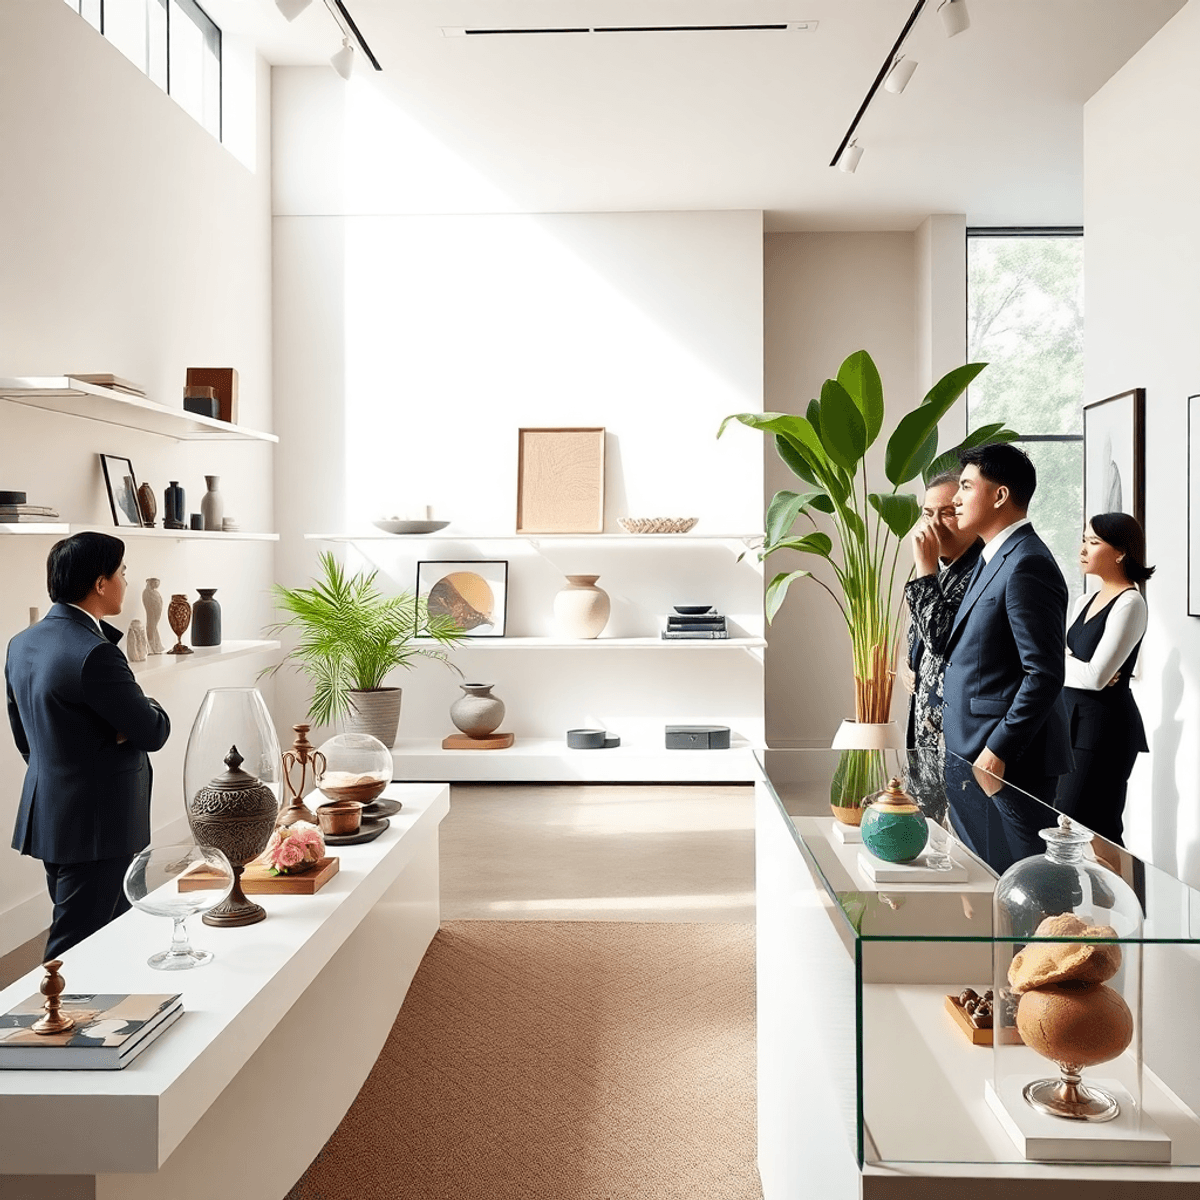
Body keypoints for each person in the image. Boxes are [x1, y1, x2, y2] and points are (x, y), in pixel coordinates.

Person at [5, 532, 170, 958]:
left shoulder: (22, 644)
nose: (126, 582)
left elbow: (26, 736)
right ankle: (50, 1021)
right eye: (122, 572)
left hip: (53, 814)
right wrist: (144, 708)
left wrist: (78, 748)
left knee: (103, 935)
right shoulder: (94, 652)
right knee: (75, 946)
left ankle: (108, 1019)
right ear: (101, 583)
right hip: (100, 824)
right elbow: (152, 731)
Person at [941, 444, 1073, 873]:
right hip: (972, 751)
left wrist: (998, 750)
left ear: (999, 495)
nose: (955, 498)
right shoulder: (992, 557)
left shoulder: (1027, 564)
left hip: (1007, 762)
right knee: (992, 882)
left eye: (965, 486)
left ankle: (1057, 944)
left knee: (1031, 885)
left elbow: (1045, 673)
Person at [1056, 513, 1153, 846]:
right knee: (1066, 821)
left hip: (1105, 727)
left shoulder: (1130, 602)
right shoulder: (1084, 600)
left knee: (1097, 827)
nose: (1082, 549)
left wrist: (1066, 664)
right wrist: (1072, 665)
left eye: (1093, 542)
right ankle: (1088, 898)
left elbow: (1096, 678)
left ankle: (1128, 898)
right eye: (1084, 539)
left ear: (1120, 552)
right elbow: (1080, 668)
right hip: (1070, 719)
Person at [902, 470, 983, 821]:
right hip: (924, 725)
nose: (934, 524)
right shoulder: (942, 568)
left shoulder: (980, 571)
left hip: (957, 735)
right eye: (927, 513)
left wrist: (924, 568)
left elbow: (940, 637)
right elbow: (920, 633)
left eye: (947, 512)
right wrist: (908, 662)